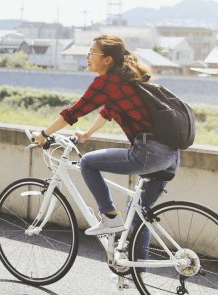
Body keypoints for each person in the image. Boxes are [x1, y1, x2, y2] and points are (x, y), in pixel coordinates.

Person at [32, 34, 179, 237]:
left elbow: (74, 112)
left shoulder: (107, 83)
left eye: (92, 52)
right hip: (171, 156)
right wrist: (87, 134)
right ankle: (136, 269)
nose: (87, 56)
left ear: (107, 59)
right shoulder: (126, 82)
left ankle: (109, 217)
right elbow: (107, 111)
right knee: (138, 217)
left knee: (88, 163)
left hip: (149, 154)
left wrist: (43, 134)